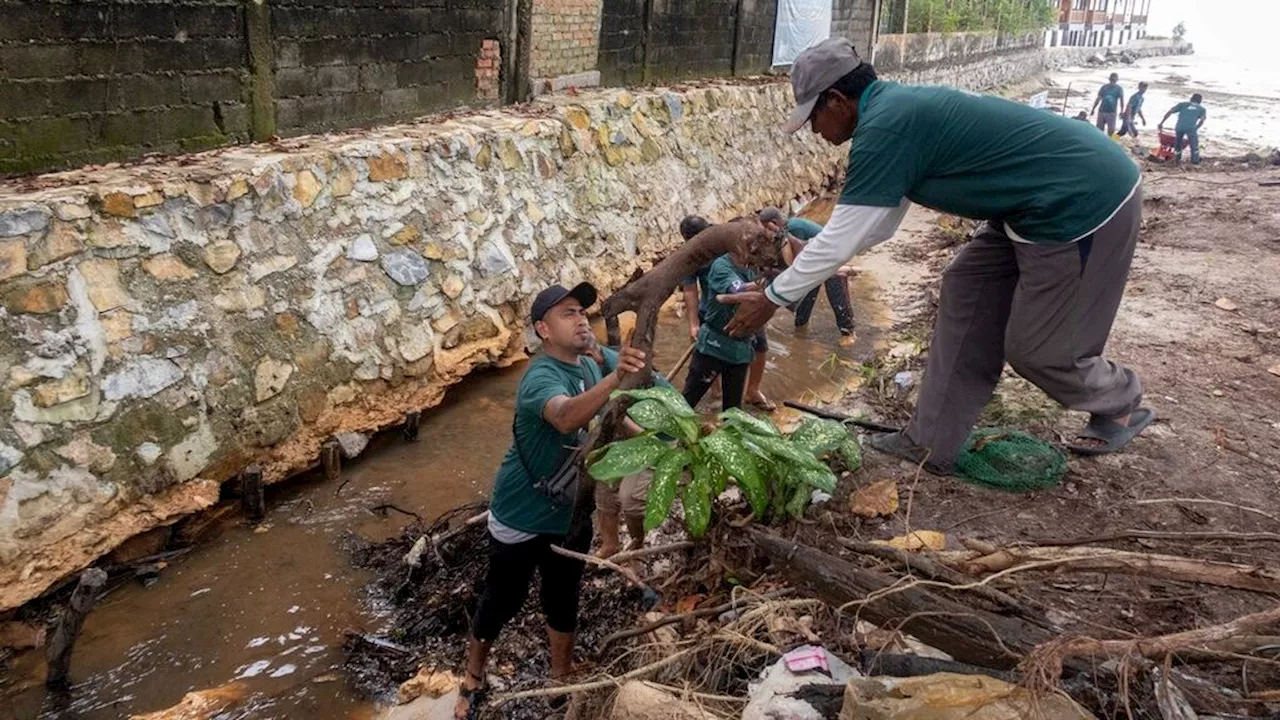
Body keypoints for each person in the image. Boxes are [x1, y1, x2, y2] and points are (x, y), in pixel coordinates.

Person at [718, 37, 1152, 476]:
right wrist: (785, 278)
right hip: (1022, 210)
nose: (815, 131)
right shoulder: (892, 114)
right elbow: (877, 225)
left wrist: (773, 298)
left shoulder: (887, 126)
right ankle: (930, 441)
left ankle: (1120, 404)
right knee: (966, 288)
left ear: (837, 99)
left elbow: (844, 238)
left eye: (814, 117)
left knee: (1039, 350)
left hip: (1082, 201)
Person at [454, 282, 646, 719]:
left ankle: (559, 678)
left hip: (571, 510)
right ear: (543, 329)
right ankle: (473, 675)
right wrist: (617, 376)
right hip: (522, 510)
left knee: (563, 595)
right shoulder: (540, 376)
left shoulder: (589, 367)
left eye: (581, 311)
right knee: (503, 597)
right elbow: (564, 417)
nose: (580, 319)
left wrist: (654, 437)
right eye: (567, 314)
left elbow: (608, 414)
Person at [680, 215, 775, 410]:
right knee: (687, 403)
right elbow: (738, 290)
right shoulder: (720, 265)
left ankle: (751, 392)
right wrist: (693, 323)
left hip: (741, 344)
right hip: (716, 338)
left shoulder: (750, 261)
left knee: (733, 411)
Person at [759, 207, 855, 337]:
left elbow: (797, 258)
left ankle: (848, 332)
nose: (767, 231)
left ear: (774, 222)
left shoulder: (793, 228)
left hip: (832, 257)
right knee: (807, 290)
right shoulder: (786, 229)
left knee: (835, 292)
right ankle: (801, 324)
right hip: (815, 261)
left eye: (767, 227)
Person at [1159, 93, 1206, 165]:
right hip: (1191, 128)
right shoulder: (1201, 109)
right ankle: (1195, 161)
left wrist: (1161, 123)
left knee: (1178, 144)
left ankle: (1177, 159)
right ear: (1200, 101)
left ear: (1191, 99)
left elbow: (1170, 112)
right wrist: (1196, 128)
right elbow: (1202, 120)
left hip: (1179, 126)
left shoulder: (1183, 104)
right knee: (1194, 145)